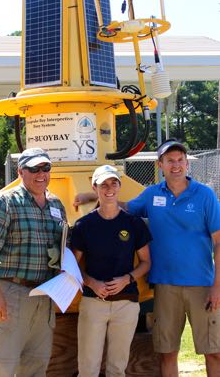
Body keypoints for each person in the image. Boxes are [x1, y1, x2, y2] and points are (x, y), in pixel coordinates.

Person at [73, 140, 220, 377]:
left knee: (213, 351)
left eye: (180, 160)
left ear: (187, 164)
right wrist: (94, 194)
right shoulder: (152, 194)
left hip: (201, 285)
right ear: (160, 164)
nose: (176, 165)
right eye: (170, 160)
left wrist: (217, 286)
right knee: (167, 352)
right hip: (164, 286)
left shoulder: (205, 195)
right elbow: (123, 206)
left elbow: (219, 241)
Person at [0, 147, 67, 377]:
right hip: (11, 295)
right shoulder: (5, 202)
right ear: (20, 171)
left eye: (45, 168)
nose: (41, 174)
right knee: (0, 366)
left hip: (44, 297)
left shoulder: (57, 205)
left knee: (36, 367)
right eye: (34, 168)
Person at [71, 164, 152, 377]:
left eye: (113, 183)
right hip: (93, 303)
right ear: (94, 187)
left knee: (117, 368)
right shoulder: (83, 225)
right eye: (103, 184)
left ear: (119, 186)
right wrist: (91, 283)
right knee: (88, 368)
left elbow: (146, 262)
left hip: (126, 304)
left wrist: (127, 279)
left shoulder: (133, 223)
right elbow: (71, 266)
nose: (109, 189)